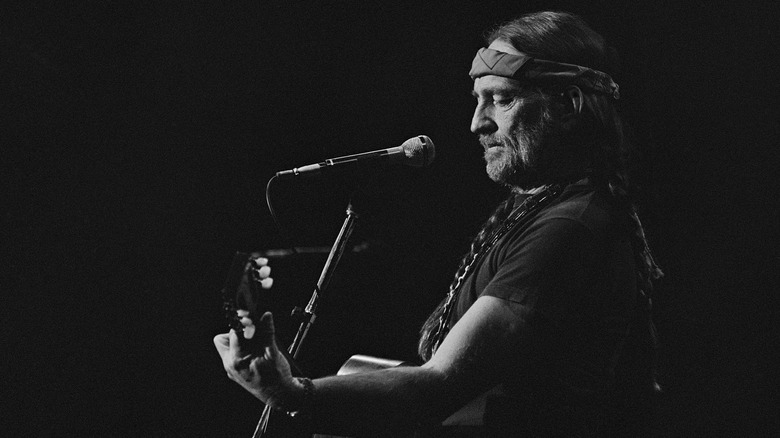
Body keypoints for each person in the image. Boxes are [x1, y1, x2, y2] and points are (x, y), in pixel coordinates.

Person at [215, 11, 663, 437]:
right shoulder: (541, 212)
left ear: (568, 106)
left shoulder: (570, 227)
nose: (476, 124)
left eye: (501, 99)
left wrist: (293, 393)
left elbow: (438, 386)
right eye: (478, 100)